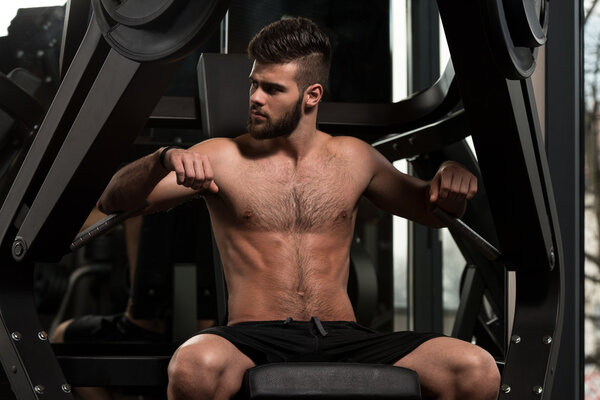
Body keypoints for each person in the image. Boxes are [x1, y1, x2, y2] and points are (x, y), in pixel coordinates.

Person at [96, 17, 500, 400]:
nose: (254, 98)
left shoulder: (354, 158)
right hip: (255, 337)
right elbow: (112, 201)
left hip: (345, 335)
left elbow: (430, 208)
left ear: (312, 95)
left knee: (475, 369)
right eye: (254, 84)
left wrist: (449, 178)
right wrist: (161, 158)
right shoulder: (223, 157)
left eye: (272, 89)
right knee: (193, 366)